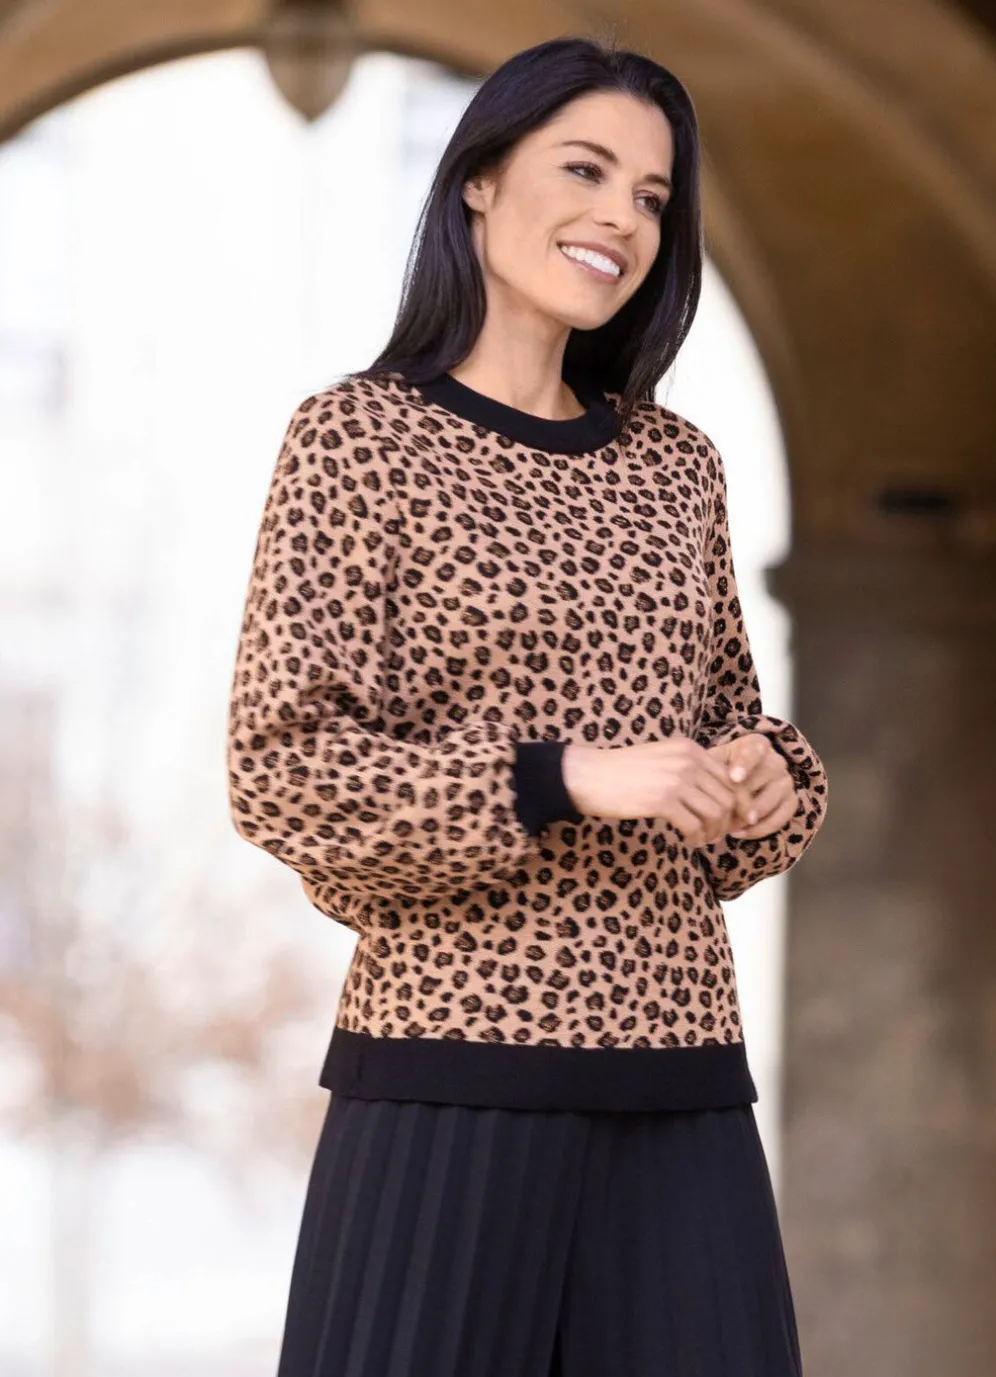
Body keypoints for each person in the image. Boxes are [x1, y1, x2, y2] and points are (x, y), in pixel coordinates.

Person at [226, 34, 829, 1377]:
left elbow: (727, 742)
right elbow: (283, 769)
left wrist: (765, 780)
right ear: (481, 180)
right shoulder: (359, 441)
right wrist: (561, 776)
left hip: (680, 1076)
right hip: (447, 1069)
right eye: (587, 169)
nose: (624, 217)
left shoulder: (676, 467)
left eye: (653, 196)